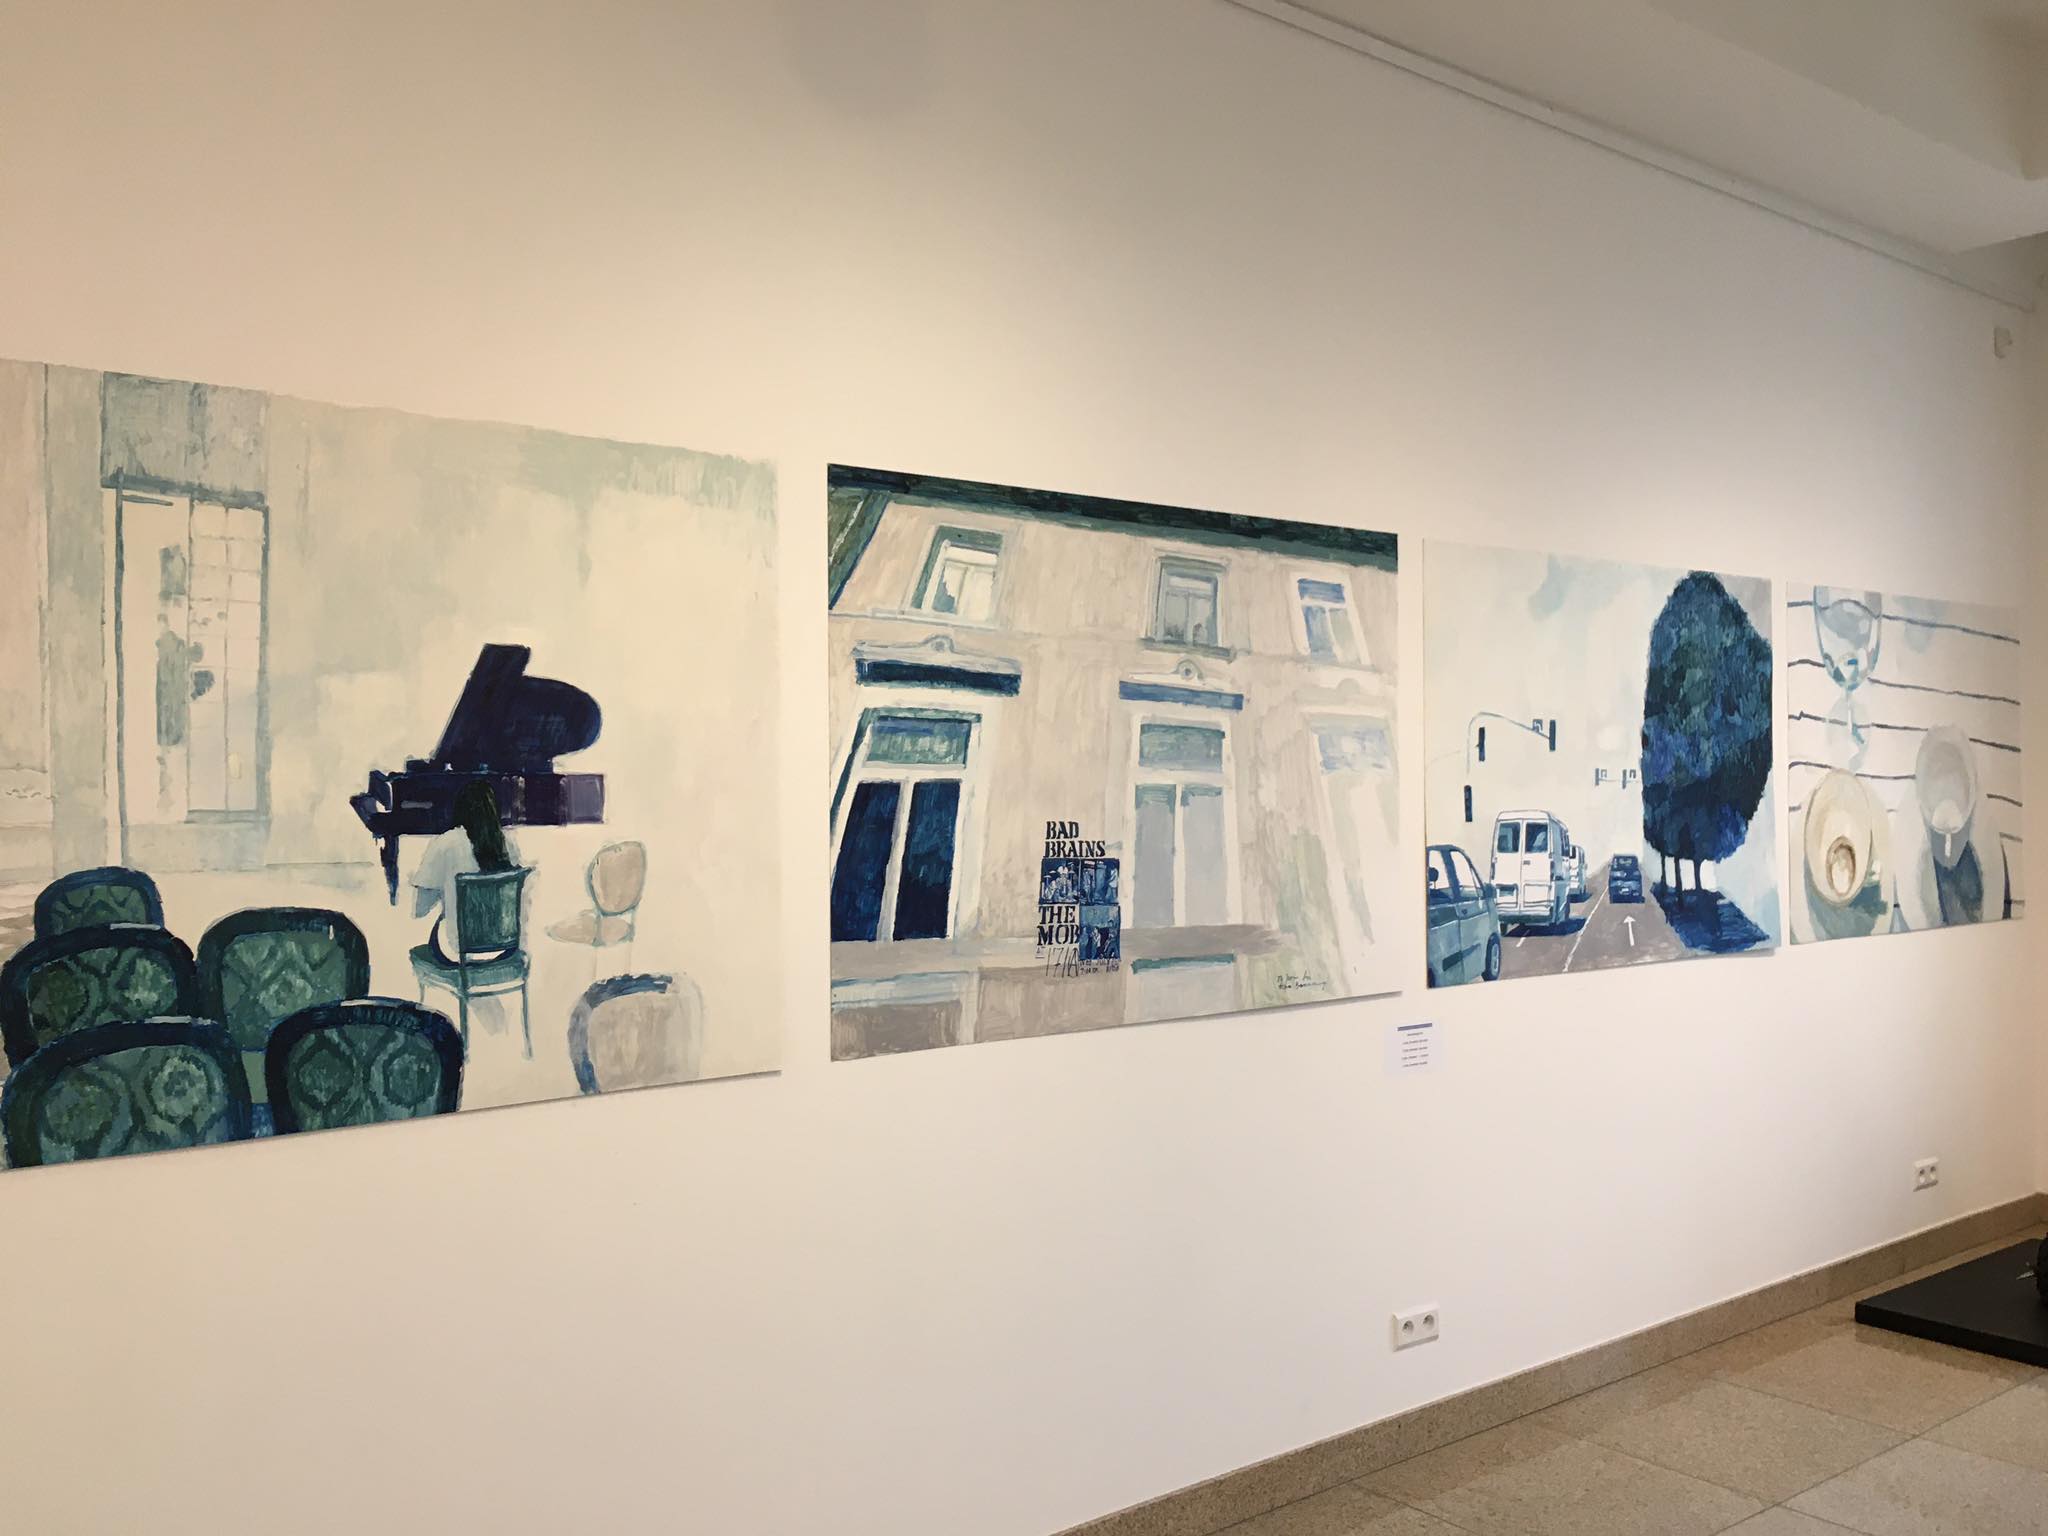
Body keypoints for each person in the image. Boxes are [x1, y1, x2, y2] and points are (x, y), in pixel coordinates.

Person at [412, 781, 521, 962]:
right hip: (504, 948)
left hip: (457, 952)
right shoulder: (507, 843)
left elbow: (421, 908)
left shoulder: (445, 843)